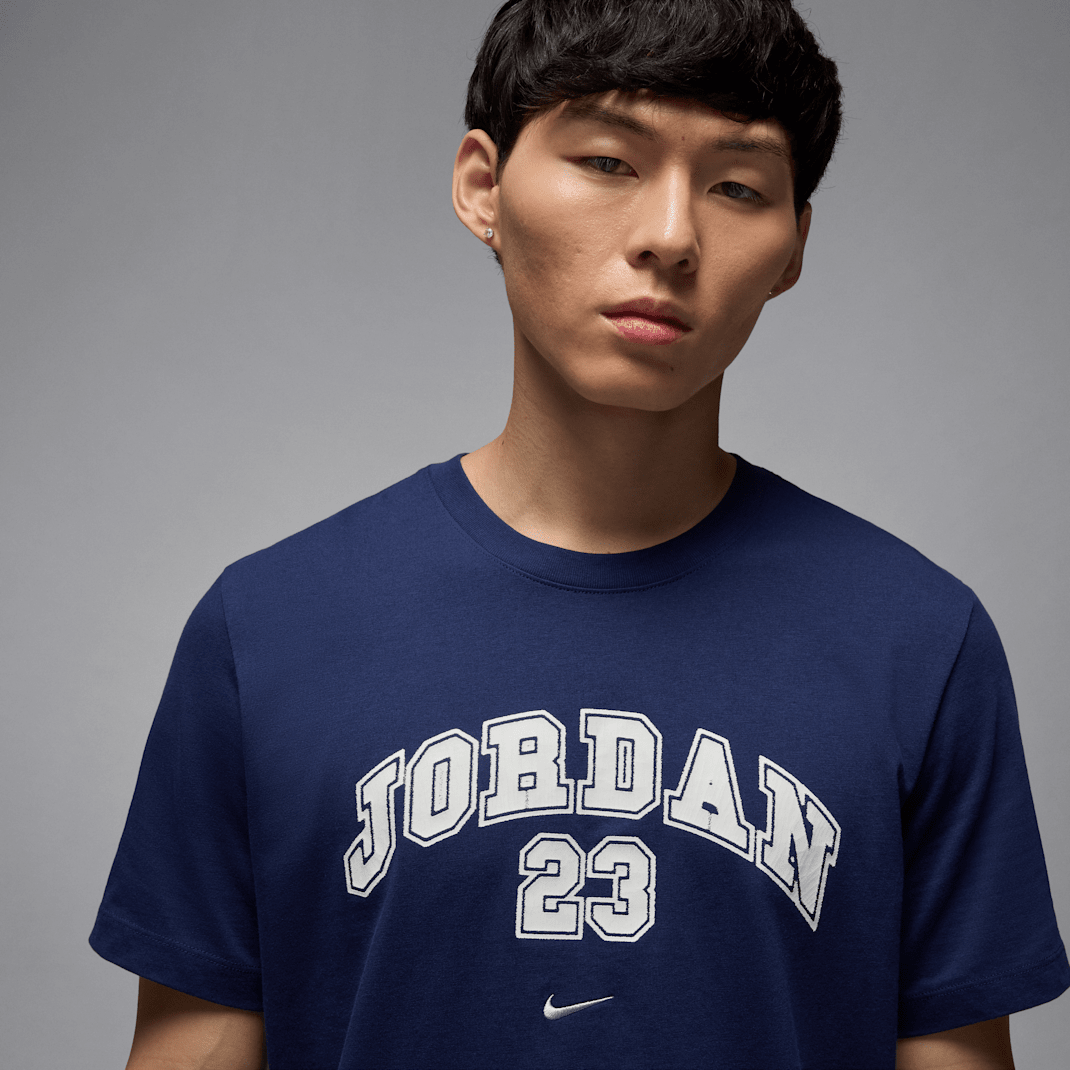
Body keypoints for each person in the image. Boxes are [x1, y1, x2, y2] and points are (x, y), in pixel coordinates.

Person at [89, 0, 1069, 1067]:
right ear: (483, 187)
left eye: (738, 187)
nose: (670, 235)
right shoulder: (269, 628)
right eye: (608, 162)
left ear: (793, 247)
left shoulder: (917, 642)